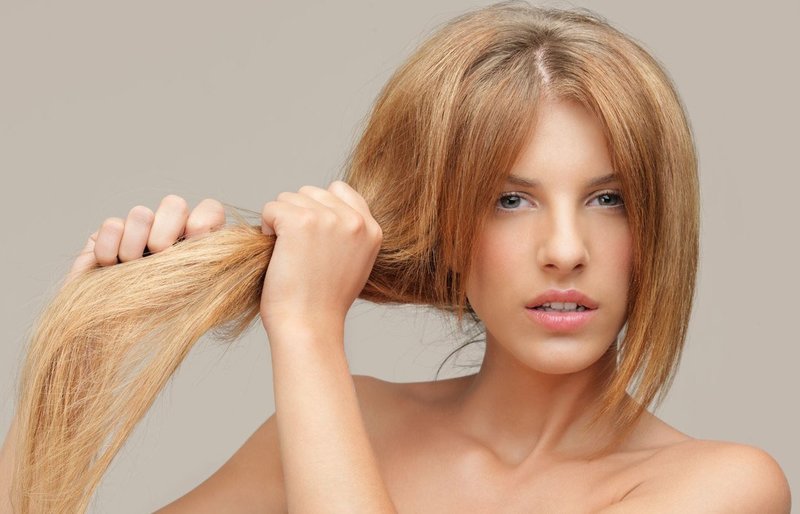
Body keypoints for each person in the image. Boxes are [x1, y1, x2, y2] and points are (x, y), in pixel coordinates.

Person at [0, 1, 792, 512]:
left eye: (607, 199)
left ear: (657, 227)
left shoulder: (719, 491)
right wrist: (78, 369)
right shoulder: (355, 422)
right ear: (445, 223)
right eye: (509, 200)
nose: (564, 250)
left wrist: (309, 330)